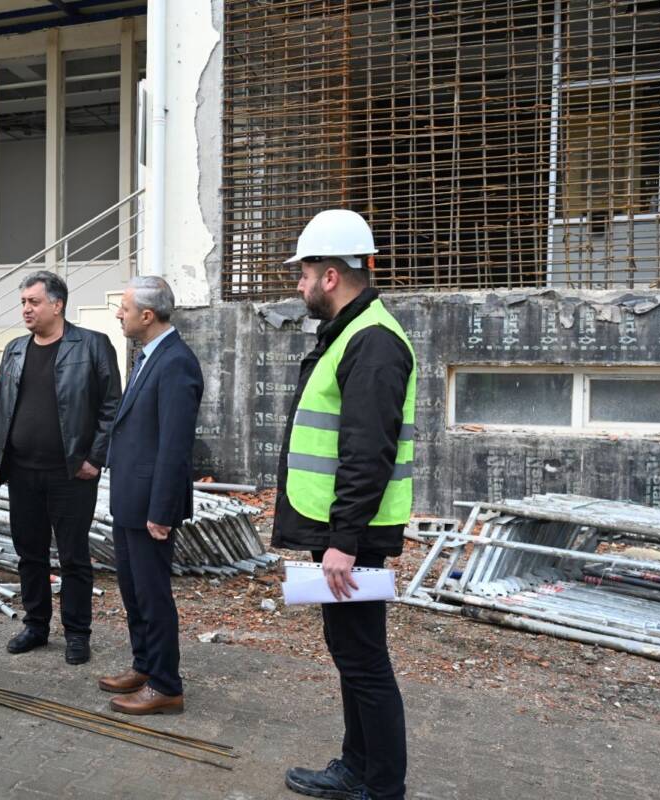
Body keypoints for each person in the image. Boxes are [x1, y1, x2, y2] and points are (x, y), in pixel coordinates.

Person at [272, 209, 415, 800]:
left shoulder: (373, 342)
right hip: (345, 528)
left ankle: (380, 785)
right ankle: (357, 768)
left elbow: (367, 452)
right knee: (351, 654)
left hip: (353, 533)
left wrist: (343, 540)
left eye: (303, 273)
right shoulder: (354, 334)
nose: (299, 285)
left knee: (364, 662)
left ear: (330, 275)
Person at [0, 270, 122, 665]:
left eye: (34, 302)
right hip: (22, 471)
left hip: (71, 474)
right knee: (29, 553)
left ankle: (78, 633)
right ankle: (36, 625)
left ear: (57, 305)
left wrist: (94, 458)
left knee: (74, 556)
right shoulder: (14, 349)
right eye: (23, 302)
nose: (26, 309)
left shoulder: (93, 345)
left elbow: (111, 405)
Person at [100, 276, 203, 716]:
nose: (118, 314)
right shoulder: (147, 357)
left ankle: (166, 685)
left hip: (150, 506)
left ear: (147, 314)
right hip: (130, 498)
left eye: (124, 307)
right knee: (133, 590)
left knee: (153, 593)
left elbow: (175, 446)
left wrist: (161, 511)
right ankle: (144, 665)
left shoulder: (176, 362)